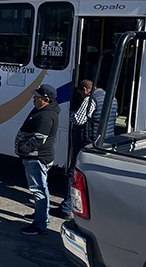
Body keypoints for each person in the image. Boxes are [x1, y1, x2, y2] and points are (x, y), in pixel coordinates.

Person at [56, 79, 117, 218]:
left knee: (74, 173)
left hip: (87, 141)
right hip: (105, 141)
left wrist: (72, 115)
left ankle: (67, 207)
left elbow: (79, 119)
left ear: (85, 90)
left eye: (81, 94)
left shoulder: (90, 100)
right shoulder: (112, 97)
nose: (82, 96)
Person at [14, 84, 60, 235]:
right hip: (36, 157)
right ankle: (41, 215)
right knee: (42, 188)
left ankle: (40, 225)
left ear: (46, 99)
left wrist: (24, 149)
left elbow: (39, 139)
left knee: (38, 190)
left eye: (37, 96)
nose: (34, 98)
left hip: (37, 158)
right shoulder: (43, 110)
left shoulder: (46, 116)